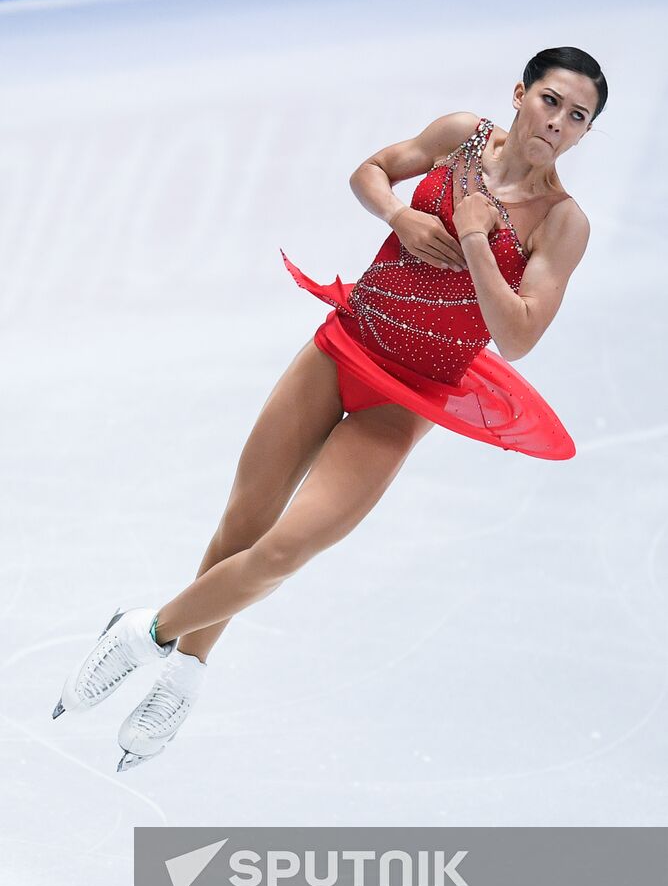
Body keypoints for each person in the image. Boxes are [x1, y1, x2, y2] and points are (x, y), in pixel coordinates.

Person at [52, 46, 608, 772]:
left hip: (405, 396)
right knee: (243, 526)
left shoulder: (564, 224)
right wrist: (397, 216)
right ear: (519, 93)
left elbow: (519, 336)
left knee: (287, 549)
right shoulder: (461, 135)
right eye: (550, 101)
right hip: (339, 348)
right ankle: (185, 675)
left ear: (586, 132)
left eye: (578, 116)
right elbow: (370, 171)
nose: (558, 122)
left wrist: (476, 237)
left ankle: (142, 634)